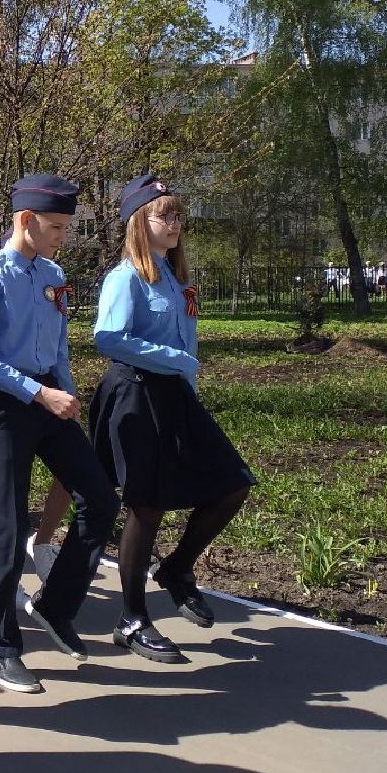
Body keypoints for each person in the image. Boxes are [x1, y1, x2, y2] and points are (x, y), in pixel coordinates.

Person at [0, 175, 121, 694]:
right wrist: (39, 393)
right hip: (7, 407)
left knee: (98, 498)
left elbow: (57, 347)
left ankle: (54, 605)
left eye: (67, 227)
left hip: (50, 400)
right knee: (7, 527)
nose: (63, 236)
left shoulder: (52, 274)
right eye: (56, 227)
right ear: (25, 221)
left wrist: (64, 395)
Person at [89, 176, 256, 663]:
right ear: (140, 222)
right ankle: (133, 617)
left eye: (179, 215)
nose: (176, 223)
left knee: (232, 483)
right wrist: (174, 361)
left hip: (176, 397)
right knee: (146, 505)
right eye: (165, 215)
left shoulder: (179, 279)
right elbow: (108, 338)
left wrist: (185, 377)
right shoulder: (127, 278)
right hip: (136, 396)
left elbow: (189, 346)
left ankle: (178, 568)